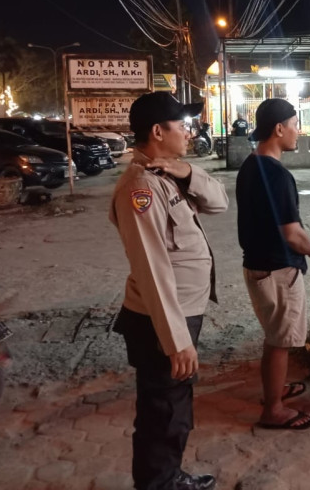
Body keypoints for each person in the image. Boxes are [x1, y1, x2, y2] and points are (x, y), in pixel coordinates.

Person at [110, 92, 229, 490]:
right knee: (164, 413)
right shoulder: (141, 187)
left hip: (179, 314)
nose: (189, 133)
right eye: (182, 126)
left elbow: (220, 203)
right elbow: (151, 268)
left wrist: (186, 171)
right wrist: (176, 340)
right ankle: (160, 483)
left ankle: (166, 477)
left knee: (171, 408)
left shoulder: (167, 175)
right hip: (161, 322)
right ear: (158, 131)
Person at [236, 98, 310, 431]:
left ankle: (276, 389)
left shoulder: (251, 165)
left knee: (275, 336)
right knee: (281, 341)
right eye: (295, 124)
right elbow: (291, 234)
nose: (297, 131)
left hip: (258, 266)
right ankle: (273, 409)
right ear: (279, 128)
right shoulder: (277, 175)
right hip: (277, 270)